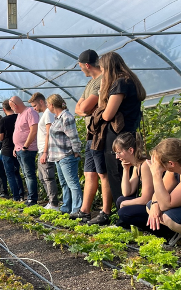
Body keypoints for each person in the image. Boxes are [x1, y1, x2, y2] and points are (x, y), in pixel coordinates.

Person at [98, 51, 146, 219]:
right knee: (127, 172)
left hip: (118, 135)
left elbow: (107, 115)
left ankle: (124, 215)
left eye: (103, 69)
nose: (102, 72)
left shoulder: (120, 83)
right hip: (129, 133)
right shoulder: (130, 81)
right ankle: (128, 214)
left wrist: (102, 92)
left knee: (116, 173)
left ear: (108, 68)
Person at [72, 50, 110, 224]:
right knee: (89, 173)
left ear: (87, 65)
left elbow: (85, 108)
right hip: (90, 134)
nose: (81, 70)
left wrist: (83, 109)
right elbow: (78, 108)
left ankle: (105, 212)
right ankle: (84, 211)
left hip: (100, 134)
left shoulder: (101, 81)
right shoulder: (91, 84)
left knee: (103, 174)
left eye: (81, 67)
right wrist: (82, 109)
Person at [47, 94, 83, 215]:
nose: (47, 107)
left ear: (52, 105)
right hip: (58, 156)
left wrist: (76, 151)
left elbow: (73, 136)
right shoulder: (57, 118)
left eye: (48, 104)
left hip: (67, 155)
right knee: (64, 183)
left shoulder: (66, 117)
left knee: (72, 183)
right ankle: (66, 207)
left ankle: (77, 209)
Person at [112, 133, 153, 229]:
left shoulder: (145, 165)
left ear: (130, 150)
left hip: (154, 206)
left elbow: (146, 199)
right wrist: (126, 169)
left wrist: (124, 204)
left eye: (119, 152)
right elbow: (127, 192)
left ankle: (157, 230)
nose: (117, 157)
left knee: (124, 212)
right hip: (148, 203)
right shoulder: (137, 166)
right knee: (120, 200)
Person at [29, 93, 59, 210]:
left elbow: (49, 134)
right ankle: (51, 202)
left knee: (48, 177)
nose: (34, 109)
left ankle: (54, 203)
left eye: (35, 105)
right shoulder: (45, 115)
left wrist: (45, 152)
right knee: (42, 177)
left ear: (41, 102)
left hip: (45, 150)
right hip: (42, 150)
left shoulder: (48, 114)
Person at [146, 138, 181, 238]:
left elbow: (166, 205)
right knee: (150, 206)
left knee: (168, 217)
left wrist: (156, 174)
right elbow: (158, 194)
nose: (157, 166)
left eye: (160, 164)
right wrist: (155, 204)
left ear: (171, 163)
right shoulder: (174, 169)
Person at [9, 96, 40, 207]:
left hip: (28, 150)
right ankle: (30, 198)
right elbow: (19, 132)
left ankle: (32, 199)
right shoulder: (19, 115)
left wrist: (26, 146)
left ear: (15, 105)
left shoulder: (30, 112)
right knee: (26, 175)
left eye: (12, 107)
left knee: (29, 174)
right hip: (19, 150)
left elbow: (34, 130)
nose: (12, 110)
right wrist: (15, 147)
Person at [0, 100, 25, 202]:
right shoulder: (19, 117)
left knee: (10, 174)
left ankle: (16, 197)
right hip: (18, 148)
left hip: (7, 149)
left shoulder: (3, 120)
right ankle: (22, 194)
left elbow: (0, 137)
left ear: (4, 109)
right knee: (17, 172)